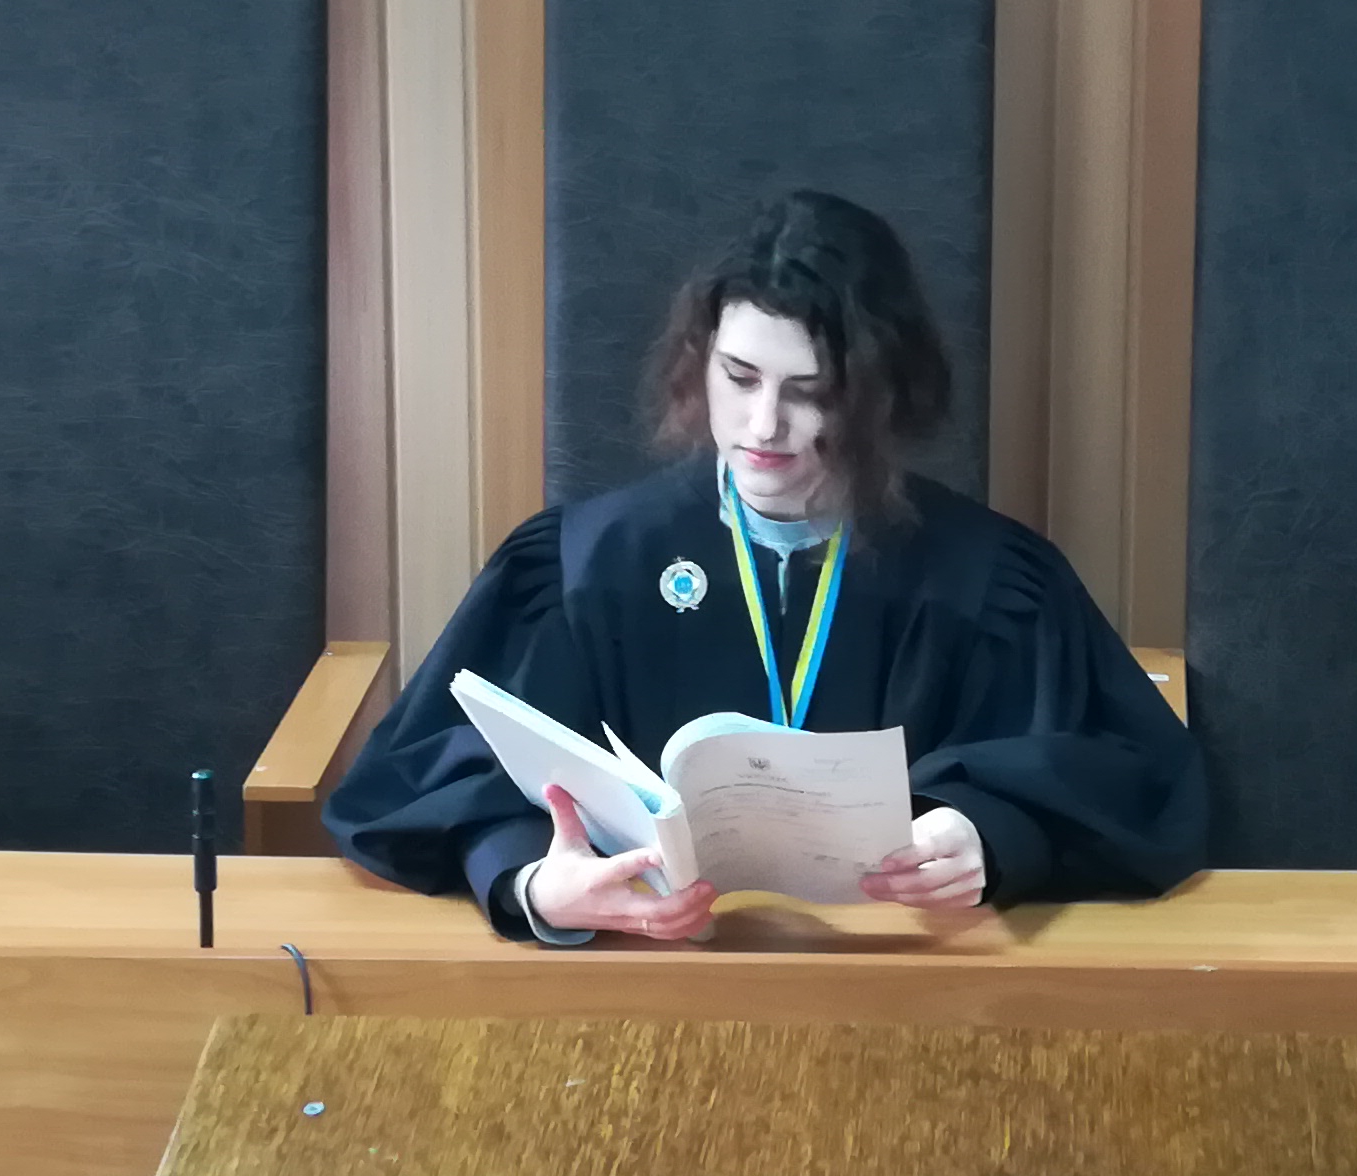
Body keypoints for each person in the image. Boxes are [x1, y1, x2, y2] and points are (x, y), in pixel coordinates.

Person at [326, 191, 1207, 940]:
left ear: (879, 394)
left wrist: (992, 834)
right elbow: (426, 778)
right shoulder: (583, 566)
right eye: (740, 377)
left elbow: (1131, 782)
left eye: (809, 392)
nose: (763, 427)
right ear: (699, 362)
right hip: (644, 989)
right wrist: (533, 883)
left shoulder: (986, 583)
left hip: (908, 988)